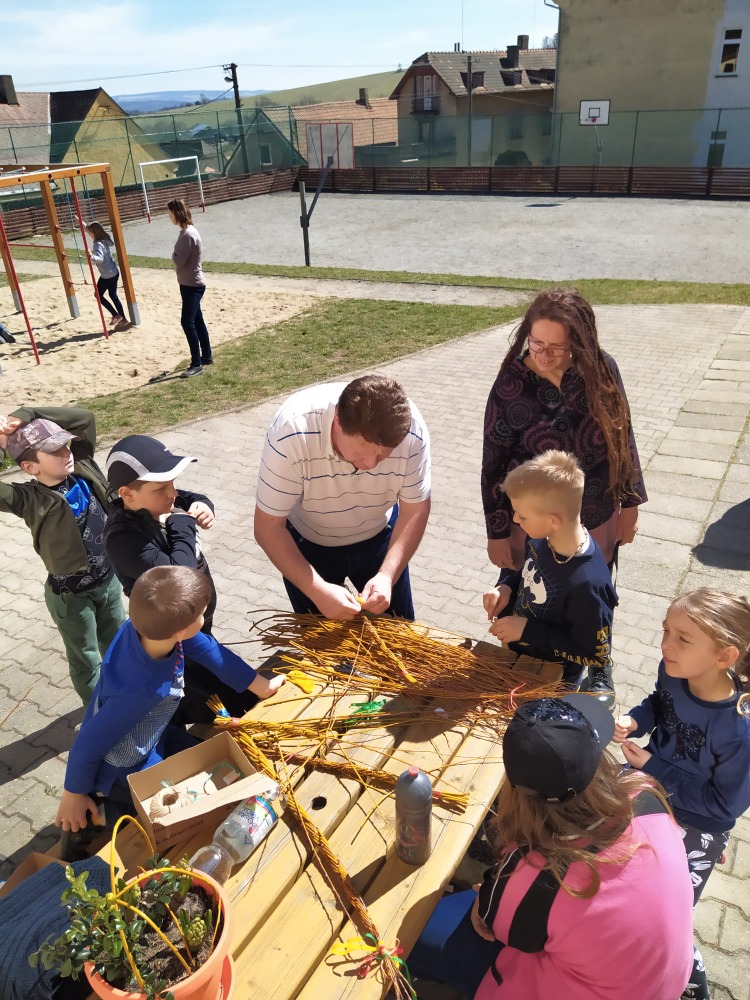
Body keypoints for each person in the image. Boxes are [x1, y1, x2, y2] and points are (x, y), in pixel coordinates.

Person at [408, 694, 695, 1000]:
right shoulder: (643, 791)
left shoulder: (541, 878)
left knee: (413, 930)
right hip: (661, 980)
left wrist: (491, 900)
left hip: (577, 989)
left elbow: (492, 926)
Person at [55, 565, 285, 835]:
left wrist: (261, 686)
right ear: (181, 631)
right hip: (126, 765)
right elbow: (89, 742)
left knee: (214, 765)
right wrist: (74, 793)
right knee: (168, 807)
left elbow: (208, 649)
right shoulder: (138, 691)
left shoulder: (148, 630)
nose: (204, 616)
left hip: (153, 734)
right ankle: (105, 813)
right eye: (202, 614)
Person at [614, 588, 750, 1000]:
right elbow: (659, 704)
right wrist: (635, 720)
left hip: (701, 819)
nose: (665, 645)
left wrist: (653, 767)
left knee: (665, 916)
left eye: (682, 638)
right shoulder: (672, 671)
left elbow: (725, 804)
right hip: (650, 783)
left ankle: (690, 980)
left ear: (724, 656)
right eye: (665, 631)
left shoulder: (740, 730)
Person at [481, 287, 646, 571]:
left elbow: (623, 437)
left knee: (592, 593)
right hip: (535, 528)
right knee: (535, 597)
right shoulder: (510, 385)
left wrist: (631, 504)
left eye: (557, 347)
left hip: (597, 516)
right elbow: (493, 466)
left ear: (579, 342)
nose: (544, 355)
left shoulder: (602, 370)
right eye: (536, 343)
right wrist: (496, 534)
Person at [254, 375, 431, 620]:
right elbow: (268, 526)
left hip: (380, 536)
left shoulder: (412, 431)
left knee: (399, 630)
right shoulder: (291, 430)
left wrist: (387, 576)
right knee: (321, 639)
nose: (370, 465)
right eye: (360, 453)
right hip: (309, 544)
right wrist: (317, 591)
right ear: (337, 421)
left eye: (382, 456)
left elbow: (415, 509)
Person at [104, 434, 252, 722]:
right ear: (127, 493)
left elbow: (190, 497)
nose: (173, 493)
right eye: (162, 488)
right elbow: (181, 574)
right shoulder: (123, 538)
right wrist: (184, 523)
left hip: (195, 626)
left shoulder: (157, 500)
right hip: (174, 639)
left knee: (211, 684)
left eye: (173, 483)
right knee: (225, 696)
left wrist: (203, 505)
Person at [0, 408, 126, 705]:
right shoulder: (27, 499)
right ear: (30, 467)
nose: (66, 452)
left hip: (109, 581)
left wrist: (28, 414)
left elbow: (85, 419)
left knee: (118, 645)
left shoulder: (82, 465)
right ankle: (99, 713)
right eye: (54, 450)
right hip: (71, 596)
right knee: (87, 659)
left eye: (65, 444)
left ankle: (123, 697)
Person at [483, 451, 617, 704]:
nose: (515, 519)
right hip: (519, 657)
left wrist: (526, 630)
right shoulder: (539, 539)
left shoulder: (589, 584)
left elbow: (592, 653)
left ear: (552, 521)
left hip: (553, 680)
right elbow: (528, 573)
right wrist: (506, 588)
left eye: (522, 516)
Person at [167, 197, 212, 378]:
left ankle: (196, 363)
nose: (169, 216)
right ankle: (206, 355)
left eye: (169, 213)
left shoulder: (187, 235)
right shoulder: (186, 232)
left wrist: (173, 254)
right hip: (189, 283)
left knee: (187, 322)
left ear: (176, 213)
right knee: (197, 320)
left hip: (193, 285)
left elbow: (179, 260)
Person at [80, 218, 127, 329]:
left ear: (93, 233)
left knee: (98, 295)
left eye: (89, 232)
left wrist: (91, 256)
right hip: (114, 272)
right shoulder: (104, 239)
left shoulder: (98, 245)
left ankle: (116, 315)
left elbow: (99, 259)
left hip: (107, 275)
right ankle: (123, 319)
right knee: (113, 295)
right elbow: (88, 228)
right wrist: (80, 221)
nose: (88, 234)